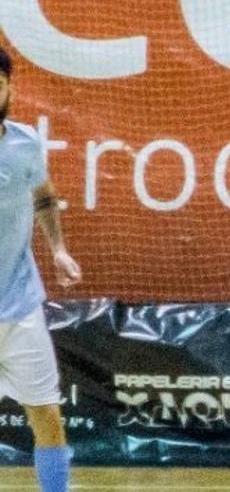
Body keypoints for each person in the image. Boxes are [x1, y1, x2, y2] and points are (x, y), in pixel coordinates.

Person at [0, 46, 80, 492]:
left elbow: (44, 195)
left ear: (10, 88)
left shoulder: (26, 143)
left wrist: (59, 250)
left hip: (21, 307)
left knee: (46, 414)